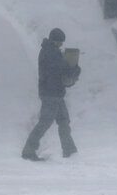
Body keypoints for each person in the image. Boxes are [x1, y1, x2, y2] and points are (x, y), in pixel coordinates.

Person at [22, 28, 80, 161]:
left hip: (56, 94)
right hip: (50, 94)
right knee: (45, 122)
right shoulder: (50, 53)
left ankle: (70, 151)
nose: (61, 45)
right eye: (60, 42)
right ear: (56, 41)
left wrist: (72, 69)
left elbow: (61, 70)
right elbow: (61, 70)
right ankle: (28, 150)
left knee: (64, 121)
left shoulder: (51, 51)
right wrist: (74, 68)